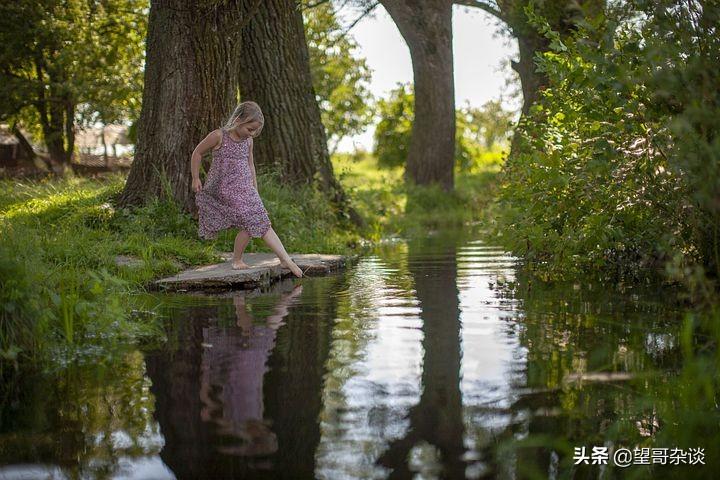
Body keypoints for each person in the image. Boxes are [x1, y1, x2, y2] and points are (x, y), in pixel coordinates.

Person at [190, 101, 303, 277]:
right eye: (250, 129)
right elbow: (197, 153)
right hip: (225, 187)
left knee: (259, 220)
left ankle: (282, 259)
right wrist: (196, 177)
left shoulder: (248, 141)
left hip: (246, 188)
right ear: (238, 119)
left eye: (255, 131)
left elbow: (250, 165)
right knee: (251, 219)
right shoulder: (219, 136)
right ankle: (249, 259)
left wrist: (254, 188)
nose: (252, 133)